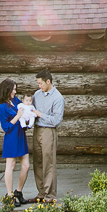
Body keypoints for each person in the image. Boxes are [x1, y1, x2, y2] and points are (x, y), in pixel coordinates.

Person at [0, 78, 31, 206]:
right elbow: (6, 127)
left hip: (21, 135)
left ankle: (18, 192)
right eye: (13, 89)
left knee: (26, 166)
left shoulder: (15, 101)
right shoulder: (1, 107)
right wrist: (18, 116)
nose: (15, 91)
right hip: (11, 138)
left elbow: (25, 109)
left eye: (15, 89)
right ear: (7, 90)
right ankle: (10, 195)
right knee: (11, 166)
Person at [30, 69, 64, 203]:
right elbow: (31, 111)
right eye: (38, 84)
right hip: (37, 130)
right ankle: (41, 193)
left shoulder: (58, 98)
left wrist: (40, 114)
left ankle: (50, 196)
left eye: (41, 83)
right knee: (37, 162)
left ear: (48, 81)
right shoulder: (37, 95)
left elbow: (56, 120)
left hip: (49, 132)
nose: (39, 86)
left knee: (48, 163)